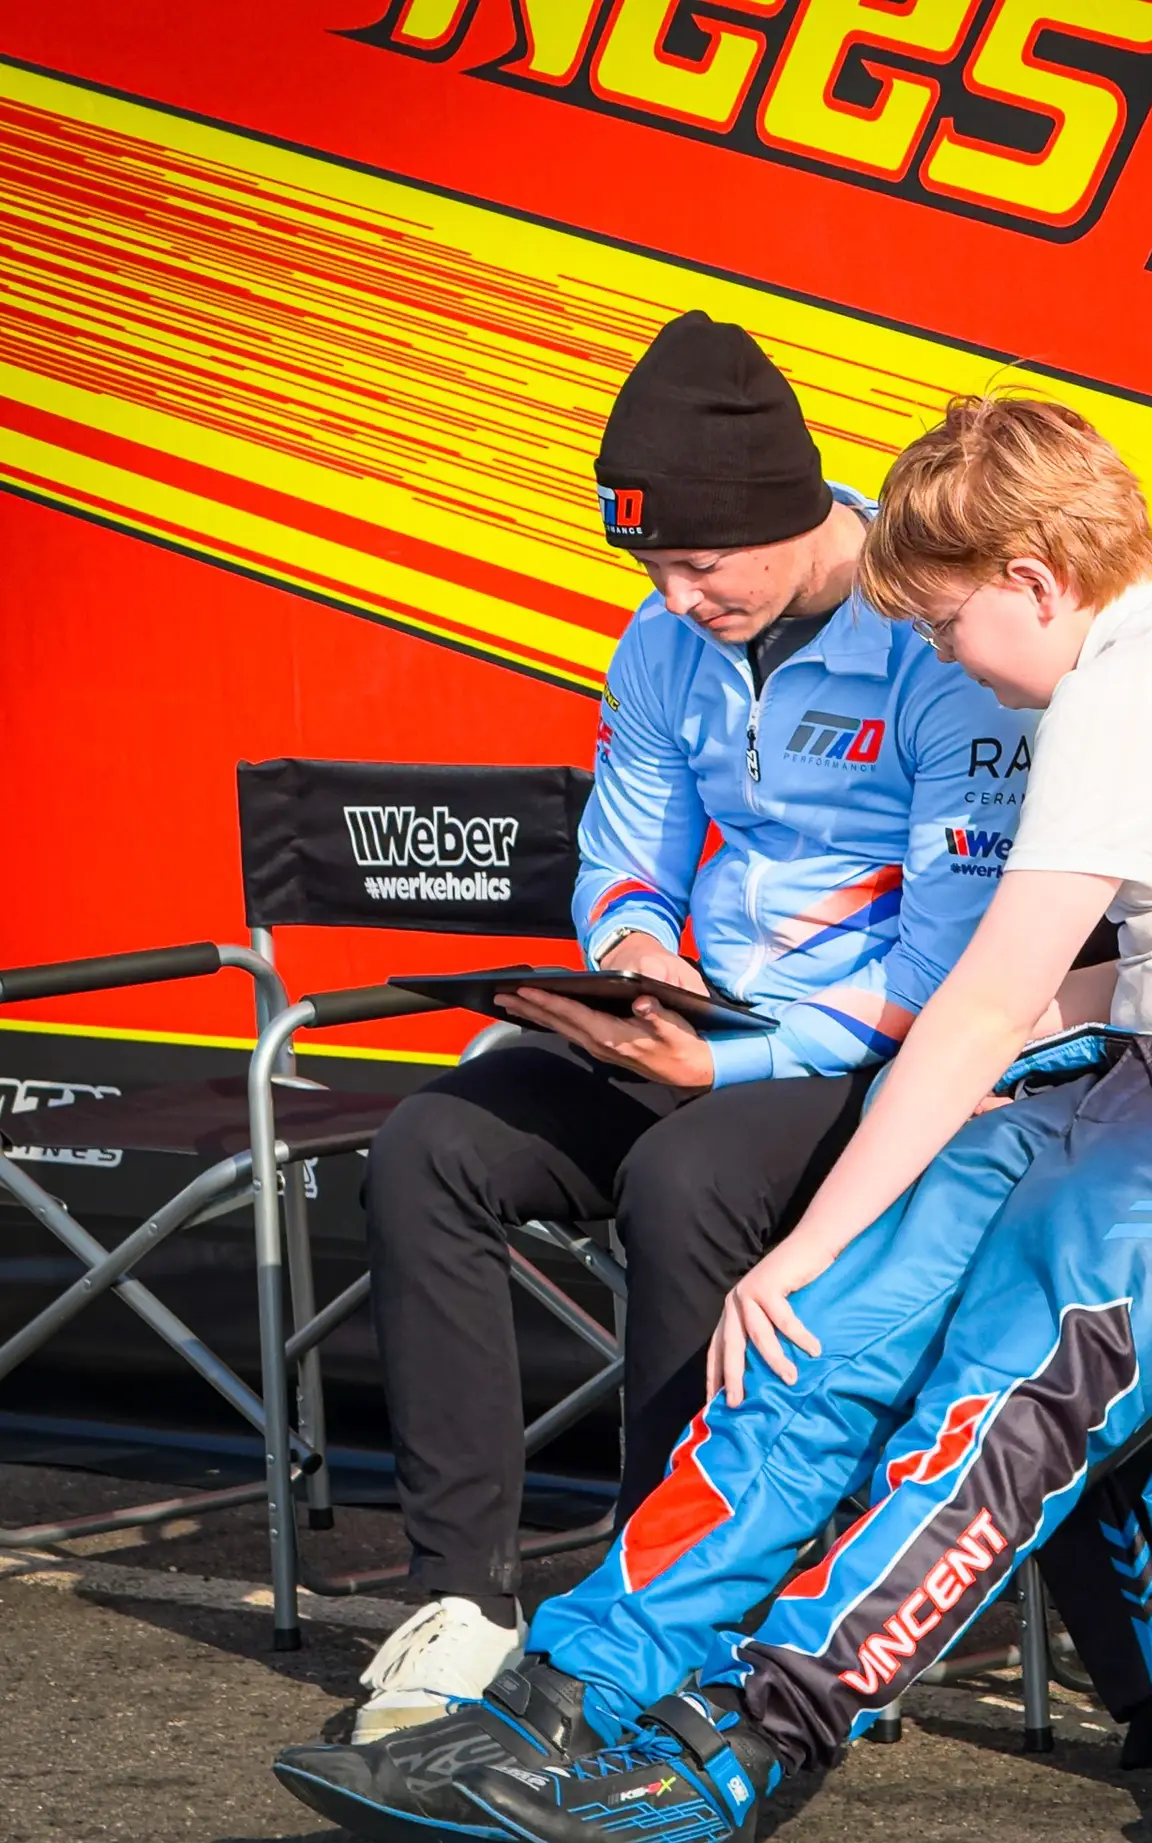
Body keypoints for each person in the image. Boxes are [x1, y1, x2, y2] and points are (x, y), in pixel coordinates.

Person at [281, 394, 1152, 1843]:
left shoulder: (1131, 695)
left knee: (987, 1411)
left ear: (1035, 578)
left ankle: (742, 1760)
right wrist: (818, 1258)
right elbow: (1098, 985)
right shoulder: (1142, 670)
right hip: (1139, 1078)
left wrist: (807, 1231)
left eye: (954, 624)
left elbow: (982, 1005)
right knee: (815, 1339)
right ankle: (572, 1689)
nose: (951, 659)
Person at [337, 312, 1040, 1741]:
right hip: (696, 1027)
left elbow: (954, 961)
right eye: (648, 564)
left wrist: (730, 1057)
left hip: (876, 1059)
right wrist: (634, 968)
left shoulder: (939, 646)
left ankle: (662, 1619)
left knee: (686, 1176)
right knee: (431, 1145)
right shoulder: (664, 642)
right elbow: (628, 860)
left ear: (789, 517)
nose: (675, 592)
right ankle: (463, 1606)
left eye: (700, 561)